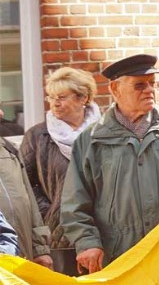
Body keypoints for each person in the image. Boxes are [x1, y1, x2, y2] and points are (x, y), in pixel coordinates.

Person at [60, 54, 159, 274]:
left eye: (152, 83)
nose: (149, 90)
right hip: (119, 254)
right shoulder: (91, 140)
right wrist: (87, 242)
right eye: (139, 85)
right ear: (115, 89)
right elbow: (75, 201)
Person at [20, 67, 101, 275]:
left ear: (83, 98)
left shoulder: (105, 131)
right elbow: (26, 185)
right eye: (51, 97)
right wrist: (50, 211)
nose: (54, 103)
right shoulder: (37, 136)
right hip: (58, 234)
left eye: (62, 97)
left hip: (103, 230)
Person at [0, 137, 52, 268]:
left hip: (22, 253)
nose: (1, 115)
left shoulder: (9, 148)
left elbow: (29, 200)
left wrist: (39, 248)